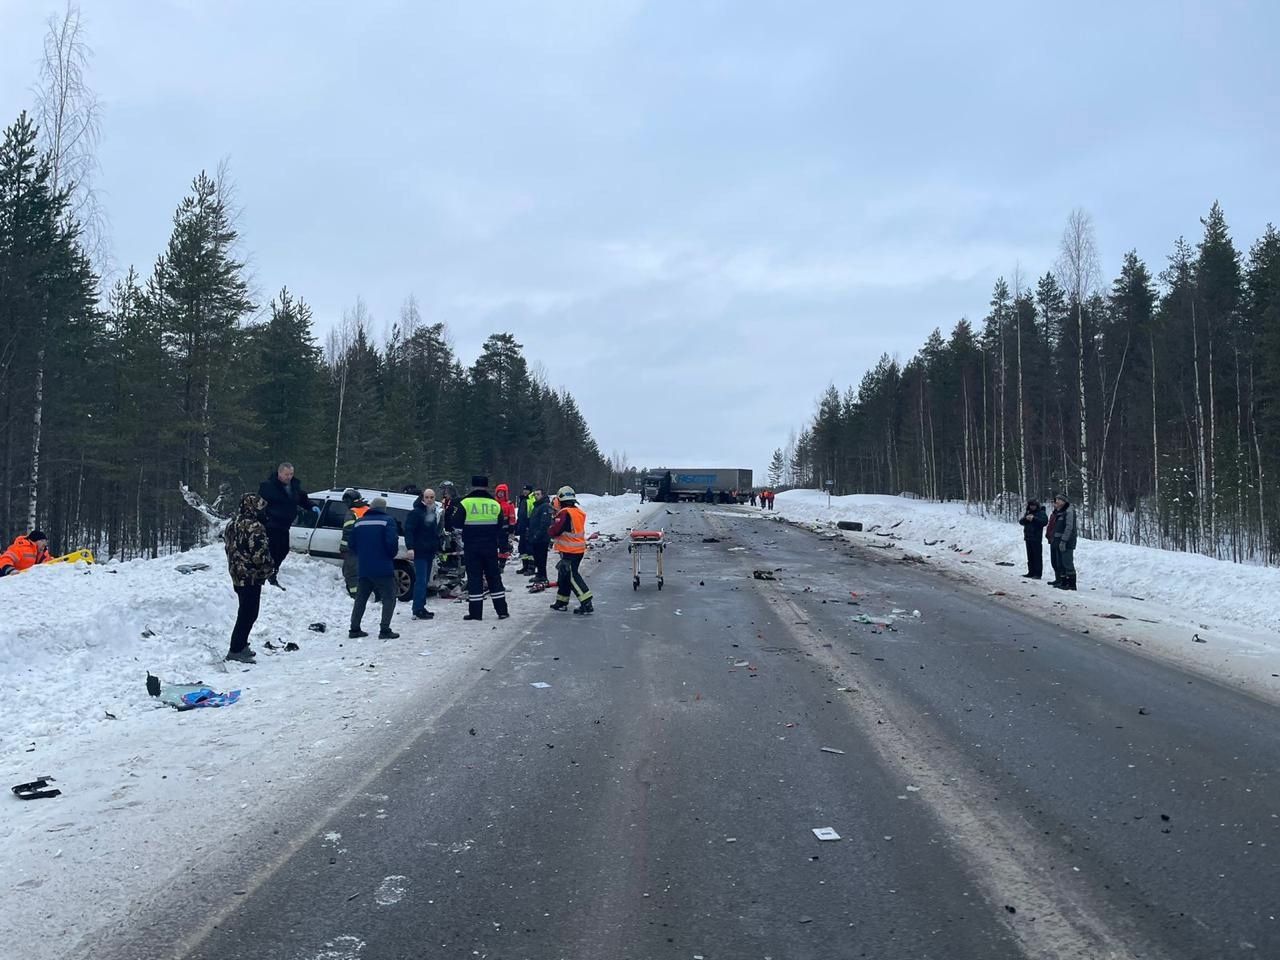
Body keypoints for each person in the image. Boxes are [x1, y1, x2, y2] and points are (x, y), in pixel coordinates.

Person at [223, 495, 275, 663]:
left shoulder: (232, 524)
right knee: (249, 613)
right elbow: (260, 554)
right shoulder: (255, 527)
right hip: (251, 576)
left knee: (245, 610)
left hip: (236, 573)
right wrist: (268, 570)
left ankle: (241, 644)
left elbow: (228, 548)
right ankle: (236, 649)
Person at [457, 475, 510, 621]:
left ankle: (476, 613)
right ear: (487, 487)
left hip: (472, 547)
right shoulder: (495, 504)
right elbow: (500, 526)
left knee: (475, 579)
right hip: (490, 547)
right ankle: (502, 611)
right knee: (494, 578)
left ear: (472, 486)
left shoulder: (465, 503)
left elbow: (456, 524)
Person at [349, 496, 401, 639]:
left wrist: (363, 555)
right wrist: (390, 555)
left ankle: (354, 629)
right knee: (389, 597)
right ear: (384, 508)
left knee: (361, 598)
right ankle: (384, 630)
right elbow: (392, 543)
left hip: (364, 567)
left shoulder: (359, 523)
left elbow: (351, 545)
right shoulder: (387, 521)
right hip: (383, 567)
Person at [258, 461, 314, 587]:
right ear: (279, 473)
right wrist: (263, 518)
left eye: (291, 474)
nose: (289, 477)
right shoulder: (268, 486)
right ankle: (269, 573)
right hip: (271, 523)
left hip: (285, 524)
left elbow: (302, 499)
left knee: (283, 550)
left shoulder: (294, 486)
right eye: (287, 474)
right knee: (273, 549)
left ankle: (272, 570)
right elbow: (260, 504)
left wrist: (312, 506)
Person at [549, 485, 593, 615]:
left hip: (570, 550)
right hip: (576, 549)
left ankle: (586, 602)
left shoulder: (564, 513)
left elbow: (556, 530)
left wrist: (550, 527)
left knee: (572, 576)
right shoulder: (577, 511)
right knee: (563, 575)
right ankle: (561, 602)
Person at [405, 487, 442, 620]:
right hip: (419, 551)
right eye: (427, 497)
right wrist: (410, 547)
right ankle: (417, 609)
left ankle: (421, 606)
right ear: (422, 498)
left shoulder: (432, 512)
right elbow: (408, 530)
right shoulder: (416, 513)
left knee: (425, 580)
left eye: (432, 497)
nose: (429, 500)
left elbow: (433, 533)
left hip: (429, 552)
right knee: (420, 580)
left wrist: (437, 545)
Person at [339, 488, 371, 598]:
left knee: (351, 572)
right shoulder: (368, 509)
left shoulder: (352, 512)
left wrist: (343, 548)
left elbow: (347, 532)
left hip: (355, 548)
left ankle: (355, 595)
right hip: (369, 547)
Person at [525, 487, 554, 586]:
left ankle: (543, 576)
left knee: (541, 558)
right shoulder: (537, 506)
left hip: (542, 538)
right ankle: (539, 574)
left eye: (538, 494)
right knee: (537, 557)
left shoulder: (545, 506)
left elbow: (545, 523)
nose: (536, 496)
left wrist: (537, 535)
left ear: (543, 495)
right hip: (535, 537)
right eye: (535, 494)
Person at [1049, 494, 1078, 590]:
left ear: (1064, 501)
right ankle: (1063, 582)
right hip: (1058, 541)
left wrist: (1064, 540)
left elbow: (1069, 527)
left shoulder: (1069, 511)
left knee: (1067, 562)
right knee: (1060, 562)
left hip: (1067, 541)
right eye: (1056, 499)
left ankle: (1072, 584)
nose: (1056, 501)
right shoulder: (1059, 512)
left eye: (1058, 500)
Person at [1019, 499, 1048, 579]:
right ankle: (1031, 572)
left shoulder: (1041, 513)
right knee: (1030, 556)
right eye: (1031, 505)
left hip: (1036, 537)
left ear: (1037, 505)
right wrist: (1026, 519)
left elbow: (1044, 522)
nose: (1032, 507)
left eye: (1033, 505)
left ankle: (1038, 573)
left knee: (1037, 556)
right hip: (1028, 537)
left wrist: (1034, 519)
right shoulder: (1028, 512)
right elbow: (1021, 522)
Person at [495, 483, 518, 569]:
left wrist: (511, 529)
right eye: (499, 492)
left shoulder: (509, 504)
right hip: (494, 529)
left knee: (503, 548)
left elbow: (512, 517)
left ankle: (501, 565)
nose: (500, 494)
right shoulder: (494, 503)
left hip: (504, 529)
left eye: (502, 492)